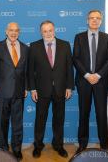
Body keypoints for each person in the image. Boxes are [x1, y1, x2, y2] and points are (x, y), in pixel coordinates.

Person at [28, 20, 74, 158]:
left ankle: (58, 145)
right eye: (45, 31)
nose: (48, 33)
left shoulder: (65, 45)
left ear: (54, 30)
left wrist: (69, 87)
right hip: (42, 90)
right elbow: (30, 70)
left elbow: (69, 68)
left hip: (60, 89)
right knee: (40, 119)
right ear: (41, 32)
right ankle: (38, 145)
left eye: (50, 30)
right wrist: (33, 89)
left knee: (59, 119)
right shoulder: (34, 46)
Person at [73, 10, 108, 154]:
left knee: (101, 114)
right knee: (83, 113)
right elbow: (75, 58)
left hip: (101, 82)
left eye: (97, 18)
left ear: (101, 21)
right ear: (87, 20)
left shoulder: (107, 38)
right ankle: (82, 145)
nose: (94, 20)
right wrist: (86, 75)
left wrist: (98, 75)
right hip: (84, 82)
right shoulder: (79, 37)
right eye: (92, 18)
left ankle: (105, 146)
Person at [0, 22, 28, 160]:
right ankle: (2, 148)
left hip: (19, 92)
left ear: (19, 32)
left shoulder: (25, 48)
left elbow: (27, 71)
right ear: (6, 31)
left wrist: (26, 87)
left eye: (16, 30)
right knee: (2, 123)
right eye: (11, 30)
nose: (13, 33)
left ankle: (17, 149)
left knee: (17, 123)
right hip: (2, 91)